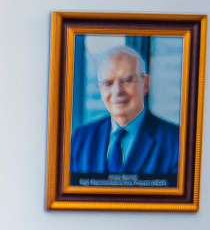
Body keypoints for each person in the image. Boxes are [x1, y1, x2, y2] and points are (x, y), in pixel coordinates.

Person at [70, 44, 179, 179]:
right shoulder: (81, 139)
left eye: (127, 80)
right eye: (108, 83)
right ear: (100, 89)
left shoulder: (176, 142)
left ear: (145, 84)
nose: (117, 91)